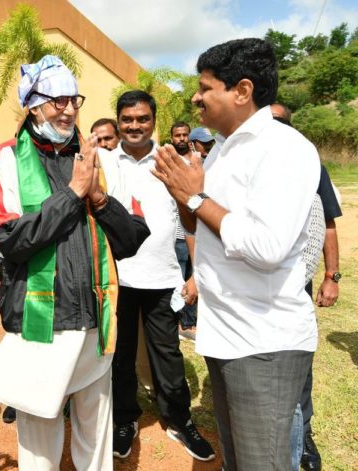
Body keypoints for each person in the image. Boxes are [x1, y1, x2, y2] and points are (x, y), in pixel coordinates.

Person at [153, 38, 320, 471]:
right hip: (227, 334)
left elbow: (266, 247)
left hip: (264, 342)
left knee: (261, 463)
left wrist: (195, 198)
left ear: (241, 91)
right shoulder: (226, 149)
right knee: (240, 461)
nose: (196, 97)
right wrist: (181, 195)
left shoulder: (283, 149)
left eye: (206, 87)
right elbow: (201, 225)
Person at [0, 55, 149, 471]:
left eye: (74, 98)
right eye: (57, 100)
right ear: (32, 105)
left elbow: (130, 240)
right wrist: (73, 194)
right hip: (41, 322)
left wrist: (98, 199)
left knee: (96, 428)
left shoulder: (102, 160)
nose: (69, 109)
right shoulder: (6, 159)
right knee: (39, 426)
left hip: (95, 317)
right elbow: (11, 240)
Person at [98, 91, 215, 462]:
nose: (134, 125)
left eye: (142, 119)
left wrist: (195, 273)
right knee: (119, 357)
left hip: (163, 280)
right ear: (118, 121)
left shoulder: (170, 161)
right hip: (116, 280)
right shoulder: (102, 160)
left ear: (154, 121)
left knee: (168, 355)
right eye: (127, 119)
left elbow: (190, 219)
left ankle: (179, 420)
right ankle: (124, 420)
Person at [272, 102, 341, 471]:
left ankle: (305, 432)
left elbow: (327, 224)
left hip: (296, 282)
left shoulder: (309, 165)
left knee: (297, 362)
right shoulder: (248, 163)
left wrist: (331, 276)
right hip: (256, 288)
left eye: (280, 121)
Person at [170, 121, 200, 340]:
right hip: (178, 235)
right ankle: (180, 322)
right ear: (172, 138)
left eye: (184, 135)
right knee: (179, 279)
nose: (181, 138)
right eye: (177, 135)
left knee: (195, 276)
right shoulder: (170, 162)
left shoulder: (199, 161)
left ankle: (189, 322)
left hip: (200, 233)